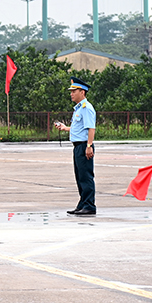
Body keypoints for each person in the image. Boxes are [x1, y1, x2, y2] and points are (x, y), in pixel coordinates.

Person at [54, 77, 96, 216]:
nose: (71, 94)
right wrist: (65, 128)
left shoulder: (86, 108)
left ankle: (89, 205)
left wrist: (89, 146)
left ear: (82, 92)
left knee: (86, 177)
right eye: (71, 91)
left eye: (74, 91)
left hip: (84, 146)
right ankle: (83, 203)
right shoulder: (79, 109)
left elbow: (91, 129)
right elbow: (79, 128)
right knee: (79, 177)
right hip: (78, 146)